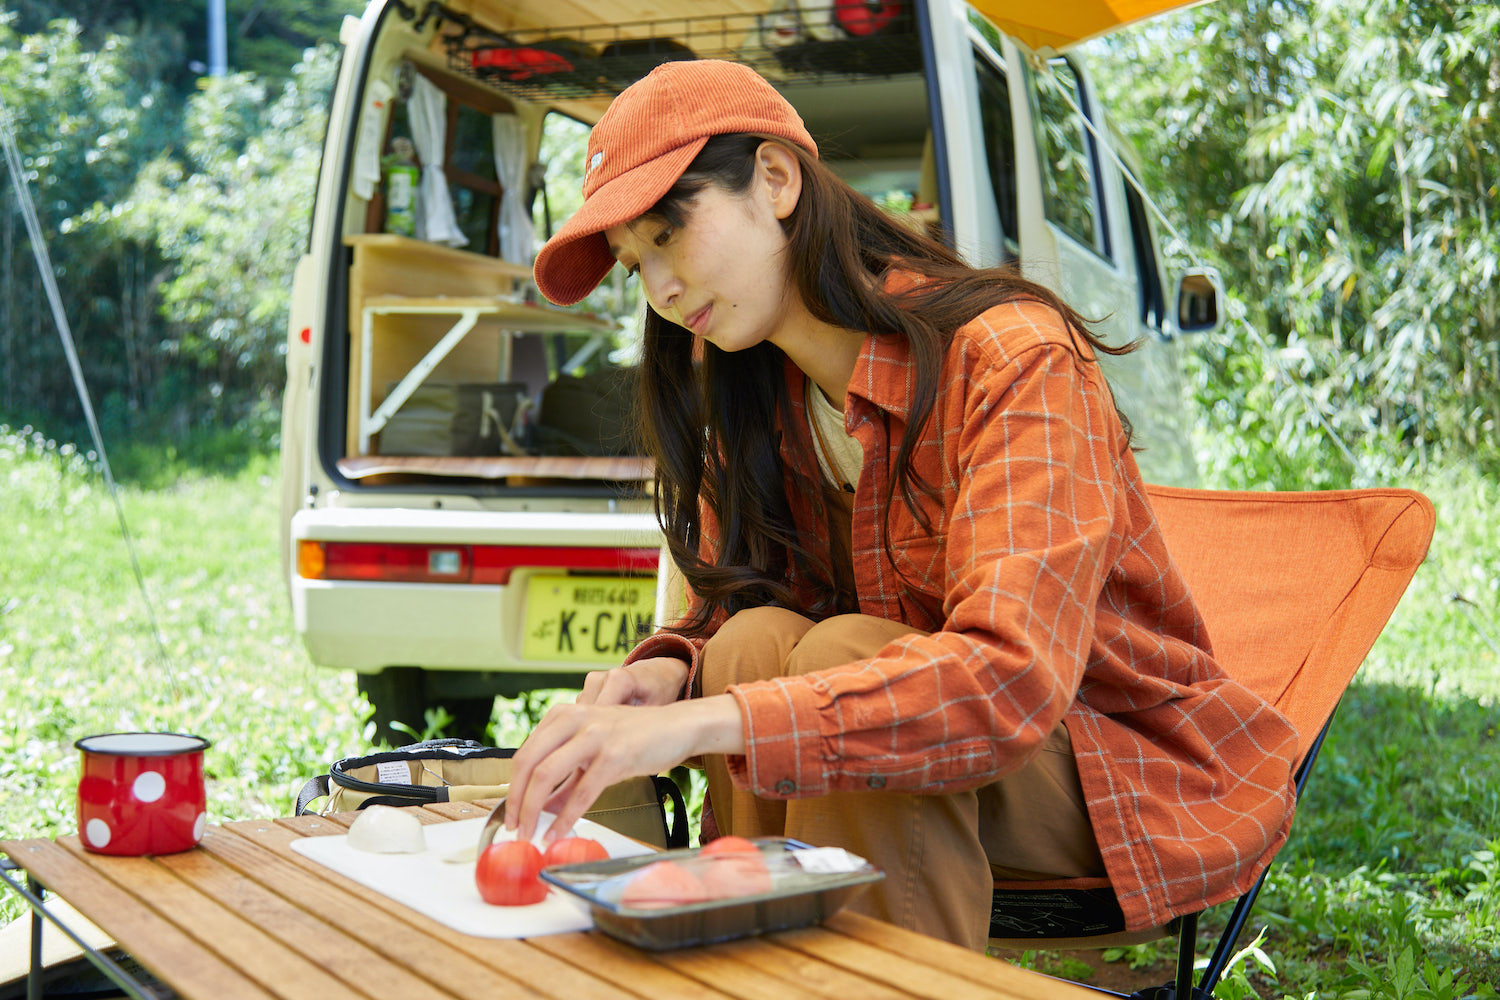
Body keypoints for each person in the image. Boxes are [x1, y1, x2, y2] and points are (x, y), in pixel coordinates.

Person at [505, 59, 1298, 950]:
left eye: (668, 232)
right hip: (903, 770)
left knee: (842, 654)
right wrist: (669, 676)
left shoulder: (1012, 360)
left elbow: (1007, 682)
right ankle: (762, 967)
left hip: (1112, 775)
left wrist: (703, 724)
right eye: (632, 263)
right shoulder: (748, 394)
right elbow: (739, 613)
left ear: (775, 178)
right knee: (750, 641)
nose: (659, 288)